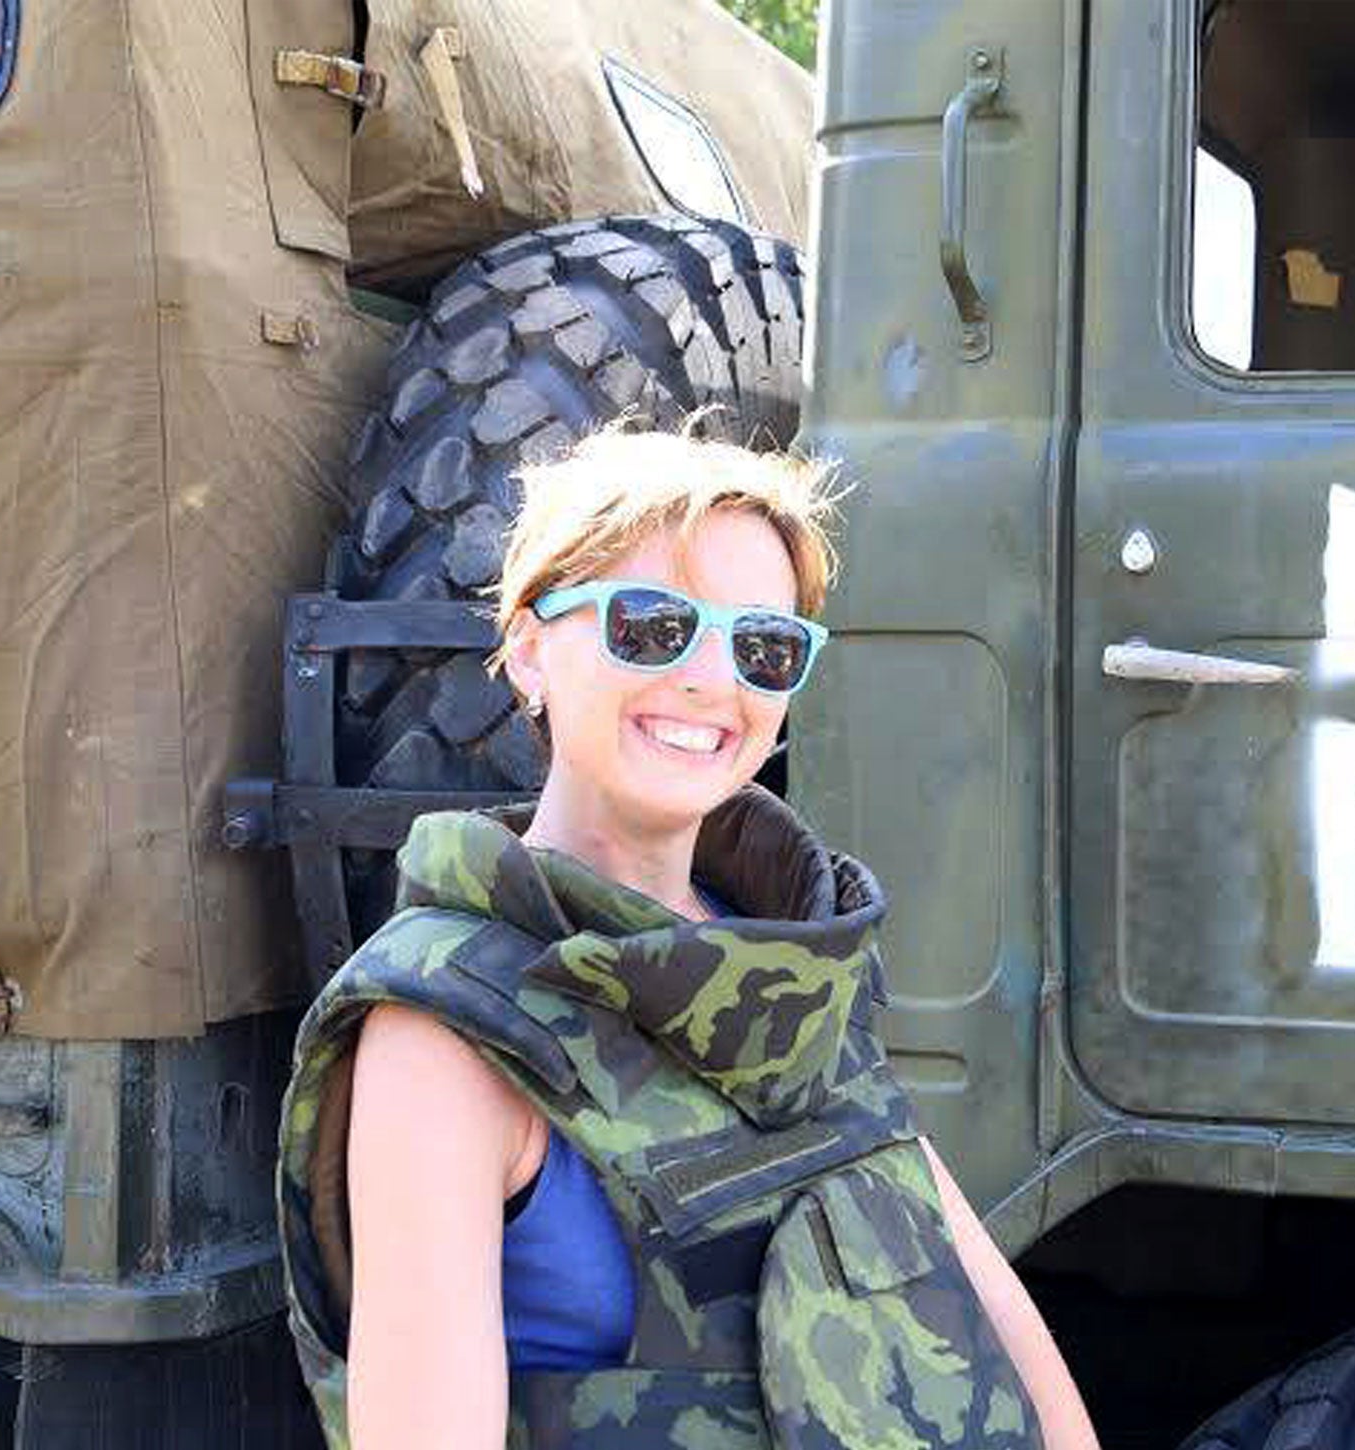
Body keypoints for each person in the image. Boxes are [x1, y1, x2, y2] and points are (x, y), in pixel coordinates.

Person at [276, 422, 1101, 1450]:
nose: (716, 680)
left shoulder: (792, 953)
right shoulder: (445, 1030)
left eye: (763, 647)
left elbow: (985, 1315)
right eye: (653, 625)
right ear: (528, 649)